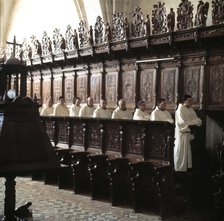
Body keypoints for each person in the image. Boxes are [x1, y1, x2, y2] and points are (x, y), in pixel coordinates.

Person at [174, 94, 202, 172]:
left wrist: (192, 122)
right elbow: (183, 123)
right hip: (182, 133)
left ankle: (186, 168)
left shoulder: (191, 110)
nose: (191, 103)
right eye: (189, 101)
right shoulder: (180, 110)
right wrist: (193, 122)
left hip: (189, 132)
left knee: (187, 152)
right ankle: (179, 168)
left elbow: (199, 121)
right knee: (181, 151)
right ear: (184, 101)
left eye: (191, 101)